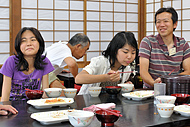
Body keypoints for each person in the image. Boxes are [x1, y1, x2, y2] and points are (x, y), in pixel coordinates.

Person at [139, 7, 190, 88]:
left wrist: (169, 80)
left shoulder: (183, 44)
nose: (161, 25)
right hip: (151, 91)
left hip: (175, 90)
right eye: (158, 22)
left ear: (175, 24)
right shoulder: (148, 42)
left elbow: (188, 71)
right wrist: (155, 84)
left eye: (166, 21)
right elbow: (143, 72)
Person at [0, 27, 54, 101]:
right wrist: (5, 108)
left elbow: (45, 92)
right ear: (19, 45)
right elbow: (5, 96)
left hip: (35, 105)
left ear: (39, 43)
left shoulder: (44, 61)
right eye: (23, 41)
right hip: (14, 105)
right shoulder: (11, 61)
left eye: (33, 40)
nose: (29, 44)